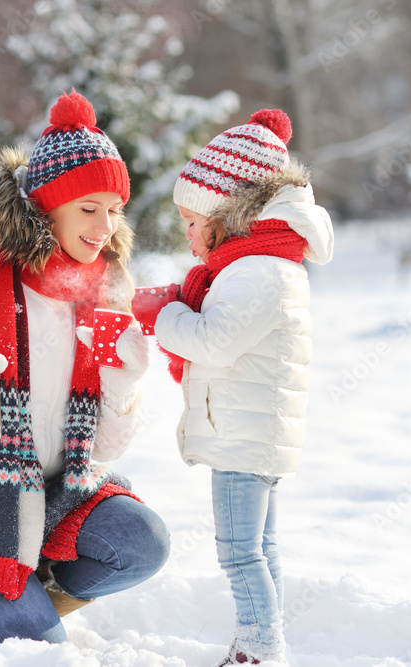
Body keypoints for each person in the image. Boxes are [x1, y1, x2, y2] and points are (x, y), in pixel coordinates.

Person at [0, 90, 170, 646]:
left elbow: (107, 449)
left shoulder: (101, 292)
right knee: (40, 650)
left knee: (143, 544)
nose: (105, 227)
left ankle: (12, 595)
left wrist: (123, 383)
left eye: (114, 210)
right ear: (46, 206)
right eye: (88, 209)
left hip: (51, 497)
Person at [132, 109, 334, 665]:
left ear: (225, 213)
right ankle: (263, 642)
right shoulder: (255, 266)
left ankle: (259, 648)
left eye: (192, 224)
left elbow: (215, 340)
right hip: (253, 432)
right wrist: (170, 300)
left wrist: (162, 315)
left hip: (244, 439)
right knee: (260, 549)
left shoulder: (260, 271)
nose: (189, 238)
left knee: (240, 553)